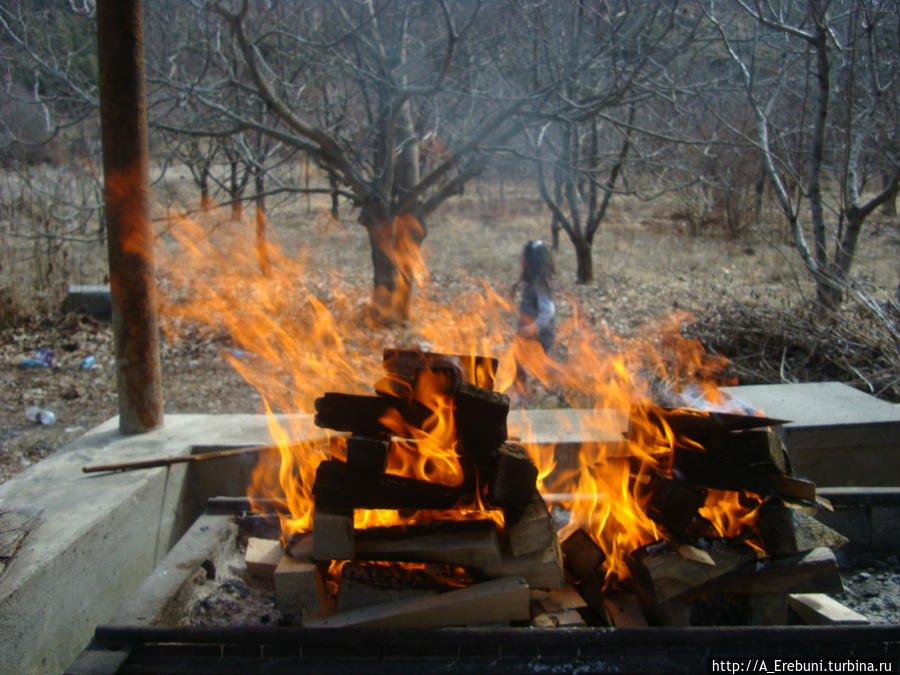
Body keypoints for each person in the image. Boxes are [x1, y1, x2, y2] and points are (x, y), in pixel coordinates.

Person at [513, 240, 556, 401]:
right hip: (533, 334)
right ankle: (524, 392)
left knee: (524, 362)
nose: (520, 260)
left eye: (523, 257)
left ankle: (523, 394)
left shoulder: (539, 285)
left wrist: (534, 327)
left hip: (539, 335)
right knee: (521, 361)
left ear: (531, 261)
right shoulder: (533, 283)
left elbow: (548, 310)